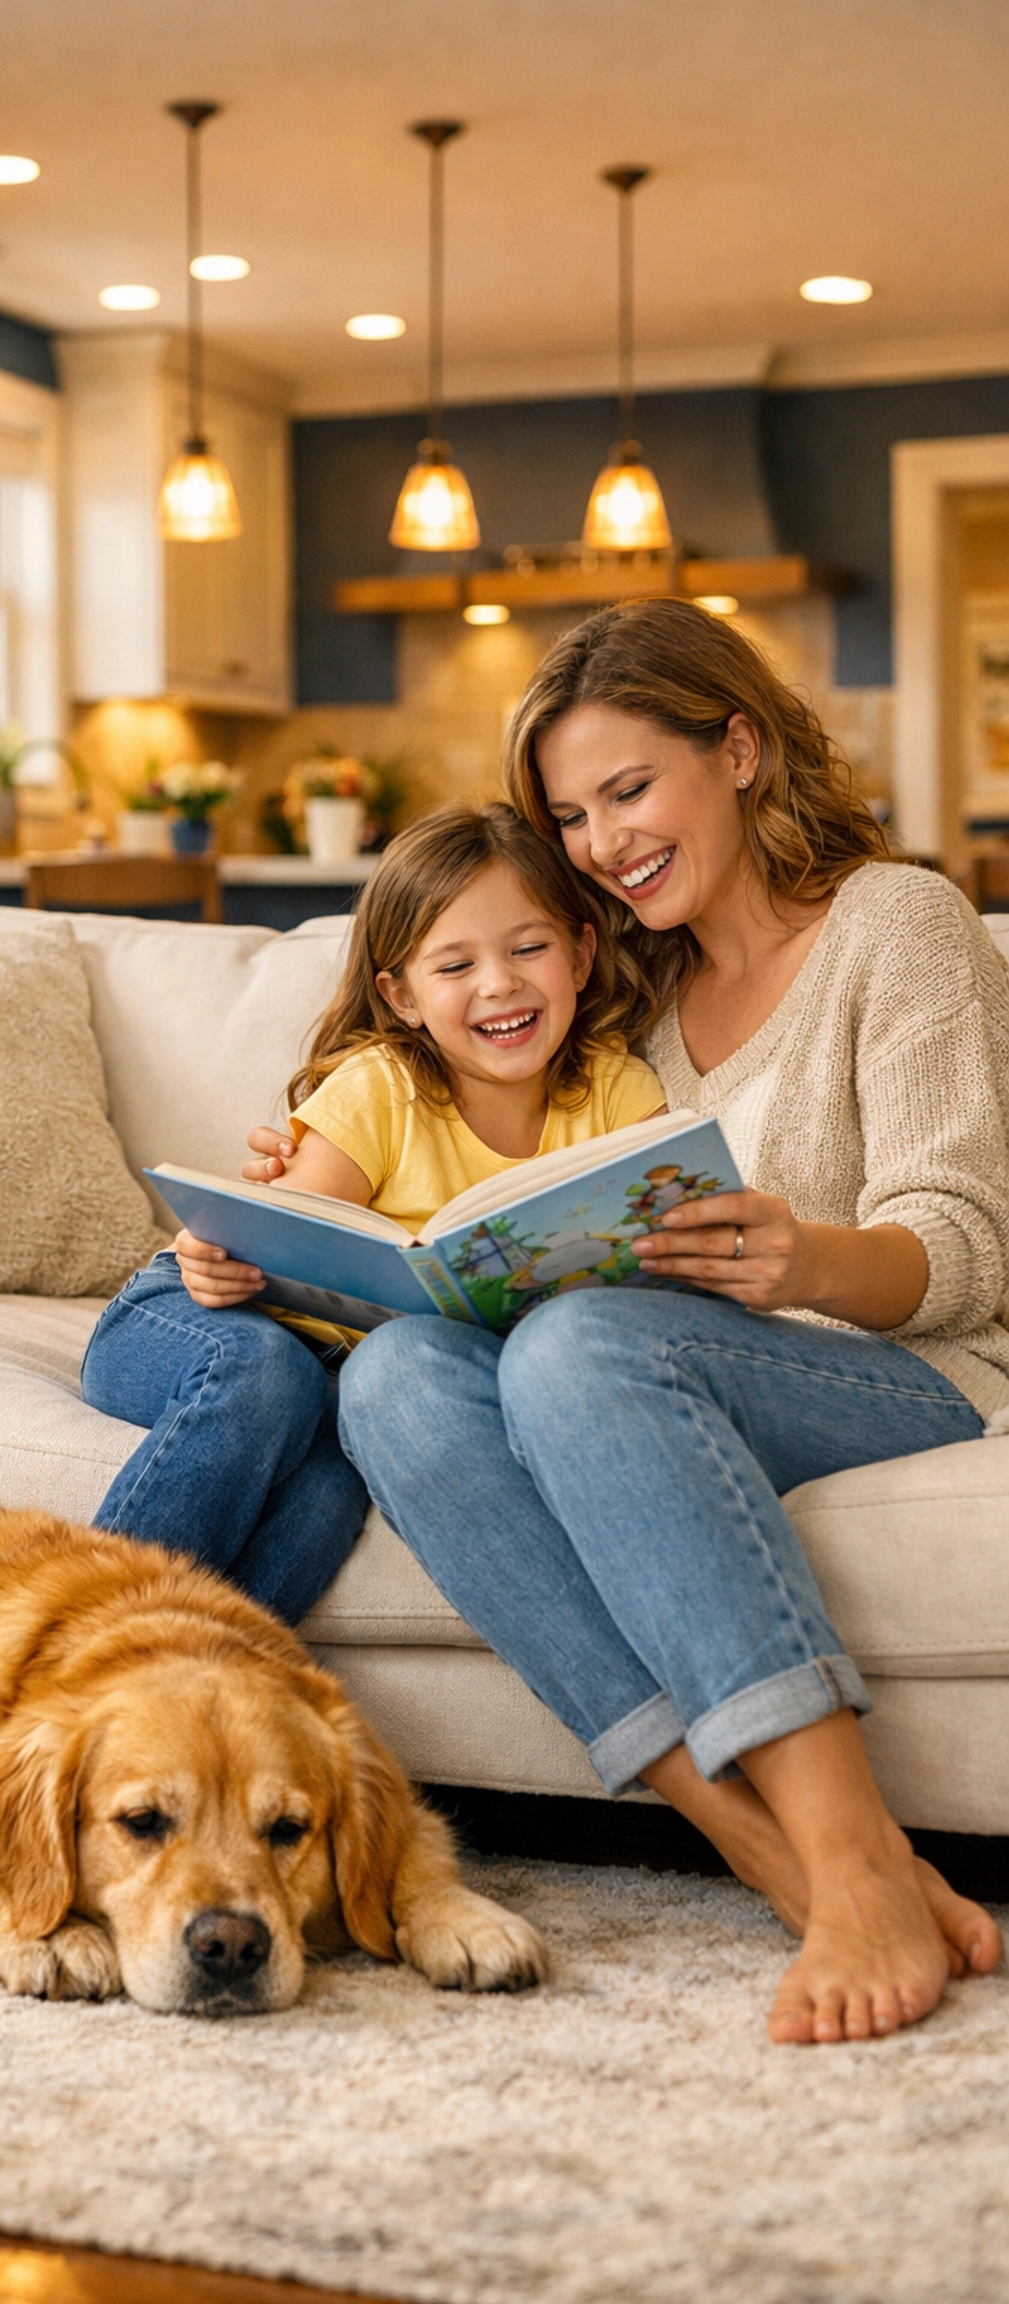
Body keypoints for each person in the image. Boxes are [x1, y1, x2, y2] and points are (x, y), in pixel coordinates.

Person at [230, 599, 1007, 2044]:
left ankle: (847, 1853)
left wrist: (806, 1260)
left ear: (743, 748)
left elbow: (964, 1249)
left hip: (910, 1369)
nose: (601, 842)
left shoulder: (898, 924)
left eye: (629, 791)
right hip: (664, 1375)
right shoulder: (623, 982)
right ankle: (757, 1841)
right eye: (571, 815)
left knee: (585, 1347)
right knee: (398, 1375)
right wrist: (311, 1176)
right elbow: (453, 1112)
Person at [81, 801, 665, 1623]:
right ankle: (71, 1646)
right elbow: (274, 1238)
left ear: (580, 953)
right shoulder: (384, 1087)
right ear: (401, 996)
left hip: (338, 1377)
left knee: (332, 1485)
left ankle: (205, 1691)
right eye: (454, 966)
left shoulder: (618, 1092)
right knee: (273, 1376)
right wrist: (221, 1252)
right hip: (194, 1310)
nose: (500, 982)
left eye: (529, 948)